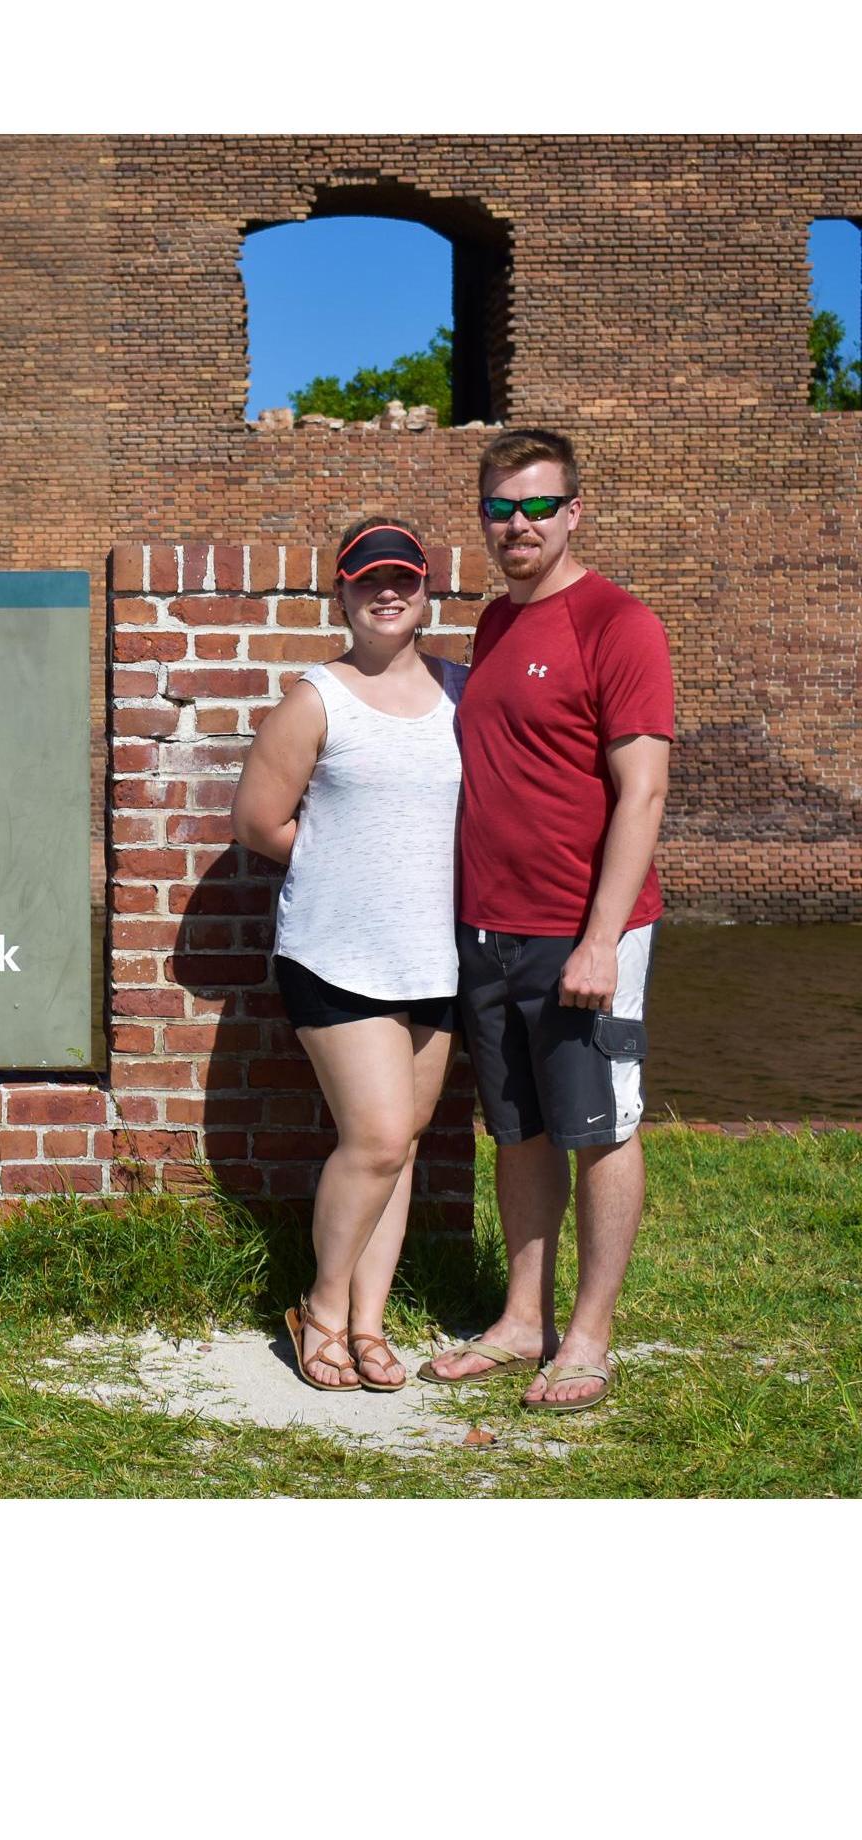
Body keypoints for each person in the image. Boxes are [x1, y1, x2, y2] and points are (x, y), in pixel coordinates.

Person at [423, 426, 674, 1411]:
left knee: (598, 1128)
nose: (516, 523)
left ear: (573, 509)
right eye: (498, 506)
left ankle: (588, 1335)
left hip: (581, 932)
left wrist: (602, 938)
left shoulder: (616, 622)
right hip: (488, 928)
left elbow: (642, 791)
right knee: (516, 1129)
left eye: (535, 504)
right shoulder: (493, 624)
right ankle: (519, 1316)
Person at [234, 519, 468, 1391]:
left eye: (402, 577)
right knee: (371, 1137)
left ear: (425, 590)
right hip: (335, 950)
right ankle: (321, 1311)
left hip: (433, 956)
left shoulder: (460, 691)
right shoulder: (315, 699)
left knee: (401, 1143)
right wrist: (353, 866)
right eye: (369, 579)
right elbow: (259, 823)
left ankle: (371, 1326)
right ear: (341, 593)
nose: (387, 592)